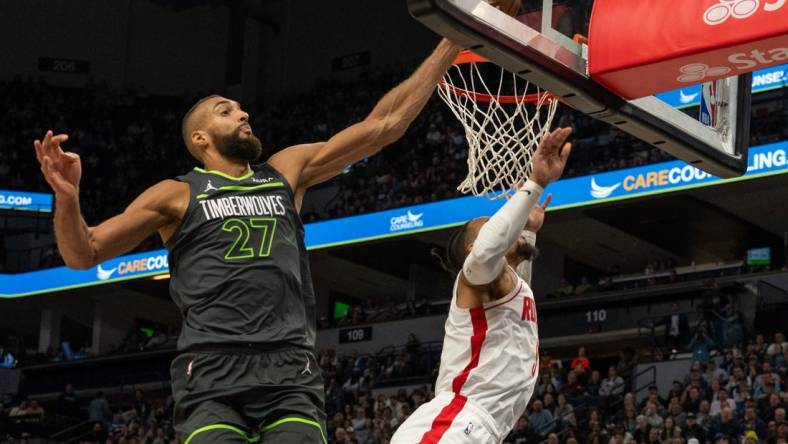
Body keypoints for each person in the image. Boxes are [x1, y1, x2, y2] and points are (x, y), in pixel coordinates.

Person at [34, 37, 464, 443]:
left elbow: (385, 125)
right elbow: (83, 252)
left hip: (288, 365)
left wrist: (452, 41)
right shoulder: (176, 194)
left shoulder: (285, 171)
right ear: (200, 139)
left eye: (241, 109)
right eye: (226, 111)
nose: (243, 115)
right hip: (210, 370)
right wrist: (68, 199)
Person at [389, 127, 573, 443]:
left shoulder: (508, 288)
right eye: (492, 225)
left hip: (477, 428)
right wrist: (535, 184)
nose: (504, 225)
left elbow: (517, 286)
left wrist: (528, 231)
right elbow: (490, 249)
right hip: (454, 423)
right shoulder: (473, 277)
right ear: (475, 250)